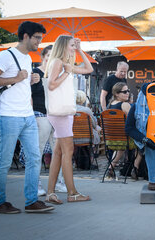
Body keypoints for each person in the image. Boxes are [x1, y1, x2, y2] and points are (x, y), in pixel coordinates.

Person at [0, 21, 54, 213]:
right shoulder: (5, 55)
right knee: (4, 161)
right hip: (8, 116)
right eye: (37, 38)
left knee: (34, 158)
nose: (39, 42)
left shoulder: (27, 59)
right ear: (25, 36)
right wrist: (17, 78)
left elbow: (21, 85)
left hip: (27, 116)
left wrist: (32, 80)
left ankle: (32, 201)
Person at [44, 35, 93, 204]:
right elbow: (51, 85)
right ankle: (72, 192)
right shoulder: (58, 62)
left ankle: (50, 192)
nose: (74, 48)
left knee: (58, 152)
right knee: (68, 151)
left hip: (63, 112)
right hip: (61, 113)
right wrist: (67, 72)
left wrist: (80, 50)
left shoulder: (64, 64)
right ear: (64, 45)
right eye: (72, 45)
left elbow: (89, 69)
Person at [31, 45, 67, 196]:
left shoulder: (58, 74)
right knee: (38, 150)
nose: (51, 59)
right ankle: (36, 184)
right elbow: (29, 95)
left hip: (56, 114)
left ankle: (59, 182)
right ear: (43, 57)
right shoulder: (36, 73)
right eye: (48, 56)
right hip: (40, 113)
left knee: (58, 150)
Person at [105, 82, 142, 179]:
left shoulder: (110, 105)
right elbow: (135, 120)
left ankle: (111, 168)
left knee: (121, 146)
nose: (127, 93)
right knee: (143, 143)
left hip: (112, 139)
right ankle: (135, 167)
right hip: (125, 140)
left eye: (128, 91)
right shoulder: (125, 105)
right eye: (124, 92)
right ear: (116, 94)